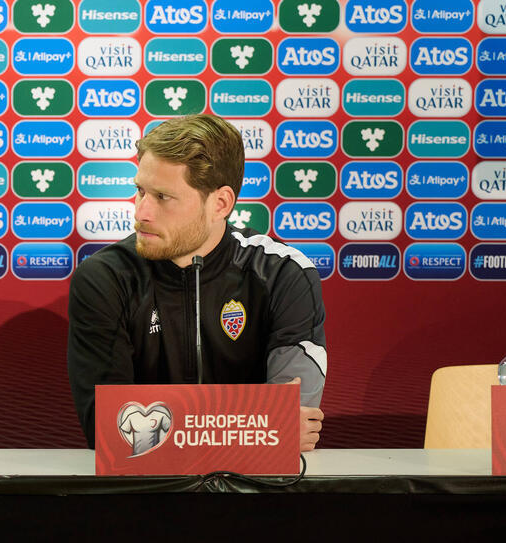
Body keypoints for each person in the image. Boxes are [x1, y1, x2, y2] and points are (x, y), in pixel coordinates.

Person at [67, 114, 326, 451]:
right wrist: (251, 426)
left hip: (255, 496)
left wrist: (167, 425)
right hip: (141, 495)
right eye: (140, 191)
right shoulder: (106, 278)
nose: (141, 211)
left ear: (220, 204)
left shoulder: (283, 275)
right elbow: (110, 433)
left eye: (162, 197)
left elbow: (291, 428)